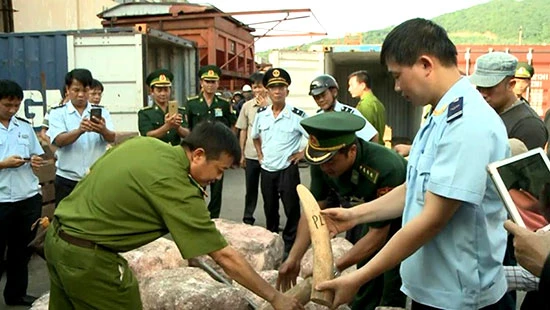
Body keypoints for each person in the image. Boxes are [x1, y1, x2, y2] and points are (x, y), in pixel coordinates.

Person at [315, 18, 511, 309]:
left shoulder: (467, 123)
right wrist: (355, 215)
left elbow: (432, 219)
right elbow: (414, 188)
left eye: (397, 75)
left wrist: (358, 277)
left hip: (460, 298)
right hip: (433, 288)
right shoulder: (439, 115)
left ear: (425, 65)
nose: (395, 87)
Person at [43, 121, 304, 310]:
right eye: (219, 170)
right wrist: (274, 297)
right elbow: (224, 255)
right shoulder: (178, 185)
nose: (217, 178)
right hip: (88, 260)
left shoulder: (145, 145)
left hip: (57, 242)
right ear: (198, 155)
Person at [277, 112, 407, 310]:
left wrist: (334, 269)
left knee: (392, 276)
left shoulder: (385, 166)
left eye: (330, 162)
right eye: (320, 163)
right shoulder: (322, 163)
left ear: (352, 151)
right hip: (367, 213)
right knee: (364, 276)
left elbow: (379, 235)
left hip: (404, 217)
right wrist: (294, 258)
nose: (325, 168)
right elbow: (313, 211)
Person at [251, 68, 308, 256]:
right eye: (273, 87)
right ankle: (273, 242)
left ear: (287, 91)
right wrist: (259, 155)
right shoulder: (261, 114)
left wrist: (301, 154)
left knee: (292, 210)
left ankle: (291, 249)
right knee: (270, 209)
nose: (277, 91)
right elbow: (255, 137)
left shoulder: (297, 115)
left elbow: (314, 137)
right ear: (267, 91)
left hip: (287, 170)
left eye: (281, 87)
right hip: (267, 170)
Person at [0, 79, 45, 306]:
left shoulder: (24, 126)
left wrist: (36, 161)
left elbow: (37, 153)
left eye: (16, 105)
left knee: (21, 252)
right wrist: (3, 164)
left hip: (27, 198)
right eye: (7, 105)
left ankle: (16, 295)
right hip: (1, 201)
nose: (12, 109)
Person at [47, 69, 116, 205]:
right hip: (67, 179)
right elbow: (58, 141)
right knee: (66, 221)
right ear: (67, 90)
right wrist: (79, 131)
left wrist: (103, 130)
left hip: (95, 178)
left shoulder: (102, 112)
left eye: (85, 90)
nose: (80, 95)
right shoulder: (57, 113)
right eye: (76, 90)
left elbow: (111, 137)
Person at [186, 65, 236, 219]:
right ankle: (197, 215)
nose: (210, 85)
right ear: (201, 82)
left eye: (213, 82)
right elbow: (187, 127)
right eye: (207, 81)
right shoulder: (192, 103)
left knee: (217, 186)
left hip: (218, 151)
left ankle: (214, 217)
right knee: (196, 184)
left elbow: (232, 125)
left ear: (218, 83)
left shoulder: (223, 103)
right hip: (199, 152)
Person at [470, 52, 548, 150]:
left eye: (489, 87)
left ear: (511, 85)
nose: (483, 93)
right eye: (480, 87)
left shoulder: (528, 125)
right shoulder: (483, 113)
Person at [235, 72, 271, 225]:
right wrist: (241, 153)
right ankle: (247, 218)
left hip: (270, 156)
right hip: (251, 155)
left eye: (260, 87)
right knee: (251, 189)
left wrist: (265, 108)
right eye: (254, 87)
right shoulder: (246, 106)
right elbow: (242, 130)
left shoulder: (273, 105)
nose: (257, 91)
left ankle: (272, 221)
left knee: (269, 191)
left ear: (267, 88)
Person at [309, 74, 379, 143]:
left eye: (323, 95)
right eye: (316, 97)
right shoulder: (317, 118)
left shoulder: (349, 114)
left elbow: (372, 136)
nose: (321, 100)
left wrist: (364, 154)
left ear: (334, 92)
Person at [138, 69, 189, 146]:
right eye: (159, 90)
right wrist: (167, 126)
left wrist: (178, 127)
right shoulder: (145, 113)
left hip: (175, 152)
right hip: (156, 152)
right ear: (151, 91)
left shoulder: (179, 111)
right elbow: (147, 135)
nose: (163, 93)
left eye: (166, 90)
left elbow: (187, 134)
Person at [348, 70, 386, 145]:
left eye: (351, 85)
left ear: (362, 85)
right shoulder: (377, 103)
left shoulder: (365, 105)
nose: (349, 89)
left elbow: (363, 133)